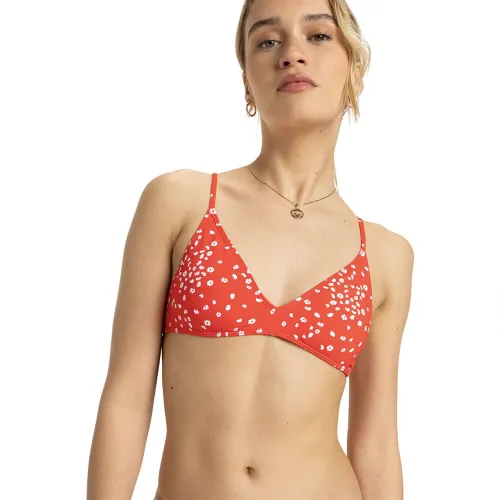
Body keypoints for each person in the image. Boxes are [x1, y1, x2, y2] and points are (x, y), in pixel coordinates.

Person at [87, 0, 414, 498]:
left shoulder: (386, 256)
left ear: (354, 71)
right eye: (267, 41)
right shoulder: (180, 202)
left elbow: (376, 444)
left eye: (318, 35)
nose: (292, 53)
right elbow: (126, 398)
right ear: (246, 82)